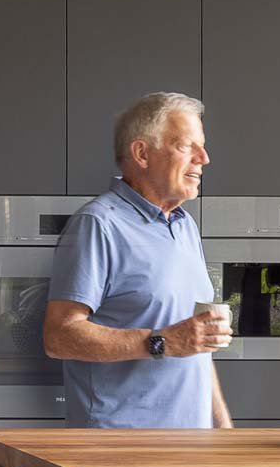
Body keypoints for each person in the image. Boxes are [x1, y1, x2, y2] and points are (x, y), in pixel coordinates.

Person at [41, 91, 233, 428]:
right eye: (186, 146)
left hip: (192, 449)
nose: (204, 158)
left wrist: (223, 430)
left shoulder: (185, 226)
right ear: (142, 153)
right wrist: (162, 342)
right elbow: (59, 336)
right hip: (120, 448)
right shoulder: (98, 224)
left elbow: (195, 345)